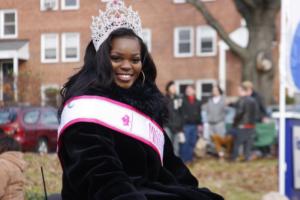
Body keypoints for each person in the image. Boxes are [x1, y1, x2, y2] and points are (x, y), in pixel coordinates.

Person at [57, 1, 223, 200]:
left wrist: (191, 189)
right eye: (117, 58)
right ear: (100, 60)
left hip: (149, 189)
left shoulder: (146, 103)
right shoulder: (85, 107)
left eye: (135, 60)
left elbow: (170, 163)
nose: (127, 66)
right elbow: (99, 173)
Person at [203, 85, 232, 159]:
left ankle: (222, 154)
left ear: (219, 91)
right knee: (212, 140)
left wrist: (224, 117)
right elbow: (205, 110)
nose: (214, 91)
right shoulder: (209, 100)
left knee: (220, 139)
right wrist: (206, 121)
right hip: (210, 123)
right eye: (213, 90)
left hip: (219, 123)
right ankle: (215, 154)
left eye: (216, 90)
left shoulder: (223, 100)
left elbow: (228, 110)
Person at [231, 83, 257, 161]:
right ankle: (247, 158)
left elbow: (240, 112)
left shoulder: (242, 100)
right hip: (251, 125)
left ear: (243, 90)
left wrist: (235, 122)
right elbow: (256, 113)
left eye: (239, 90)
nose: (238, 92)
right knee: (248, 144)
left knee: (237, 143)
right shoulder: (253, 100)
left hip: (242, 125)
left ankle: (234, 158)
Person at [179, 85, 202, 163]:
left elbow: (199, 114)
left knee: (192, 142)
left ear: (194, 91)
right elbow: (181, 114)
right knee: (185, 143)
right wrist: (181, 127)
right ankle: (184, 159)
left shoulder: (198, 102)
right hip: (186, 125)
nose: (188, 91)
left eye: (190, 89)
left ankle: (190, 158)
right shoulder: (183, 101)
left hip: (195, 125)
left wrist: (200, 125)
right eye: (187, 90)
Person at [164, 81, 184, 156]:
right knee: (168, 146)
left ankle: (175, 164)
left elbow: (181, 114)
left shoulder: (178, 99)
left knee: (176, 146)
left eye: (175, 87)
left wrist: (181, 127)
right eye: (172, 87)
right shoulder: (164, 99)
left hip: (177, 127)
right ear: (168, 88)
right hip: (167, 126)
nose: (174, 88)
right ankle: (167, 164)